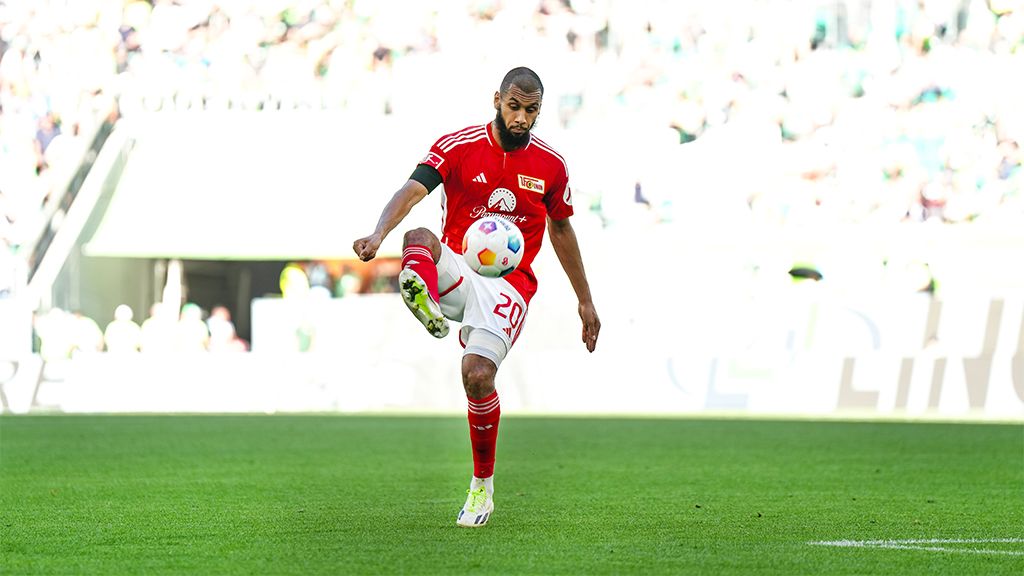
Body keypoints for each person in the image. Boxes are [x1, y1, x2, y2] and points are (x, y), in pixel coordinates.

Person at [353, 66, 601, 528]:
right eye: (515, 106)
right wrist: (377, 232)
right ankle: (423, 295)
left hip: (510, 285)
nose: (522, 118)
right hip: (462, 270)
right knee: (420, 235)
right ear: (497, 100)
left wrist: (584, 300)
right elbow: (413, 190)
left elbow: (562, 228)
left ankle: (481, 488)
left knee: (478, 375)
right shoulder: (458, 145)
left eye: (531, 110)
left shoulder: (551, 166)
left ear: (539, 111)